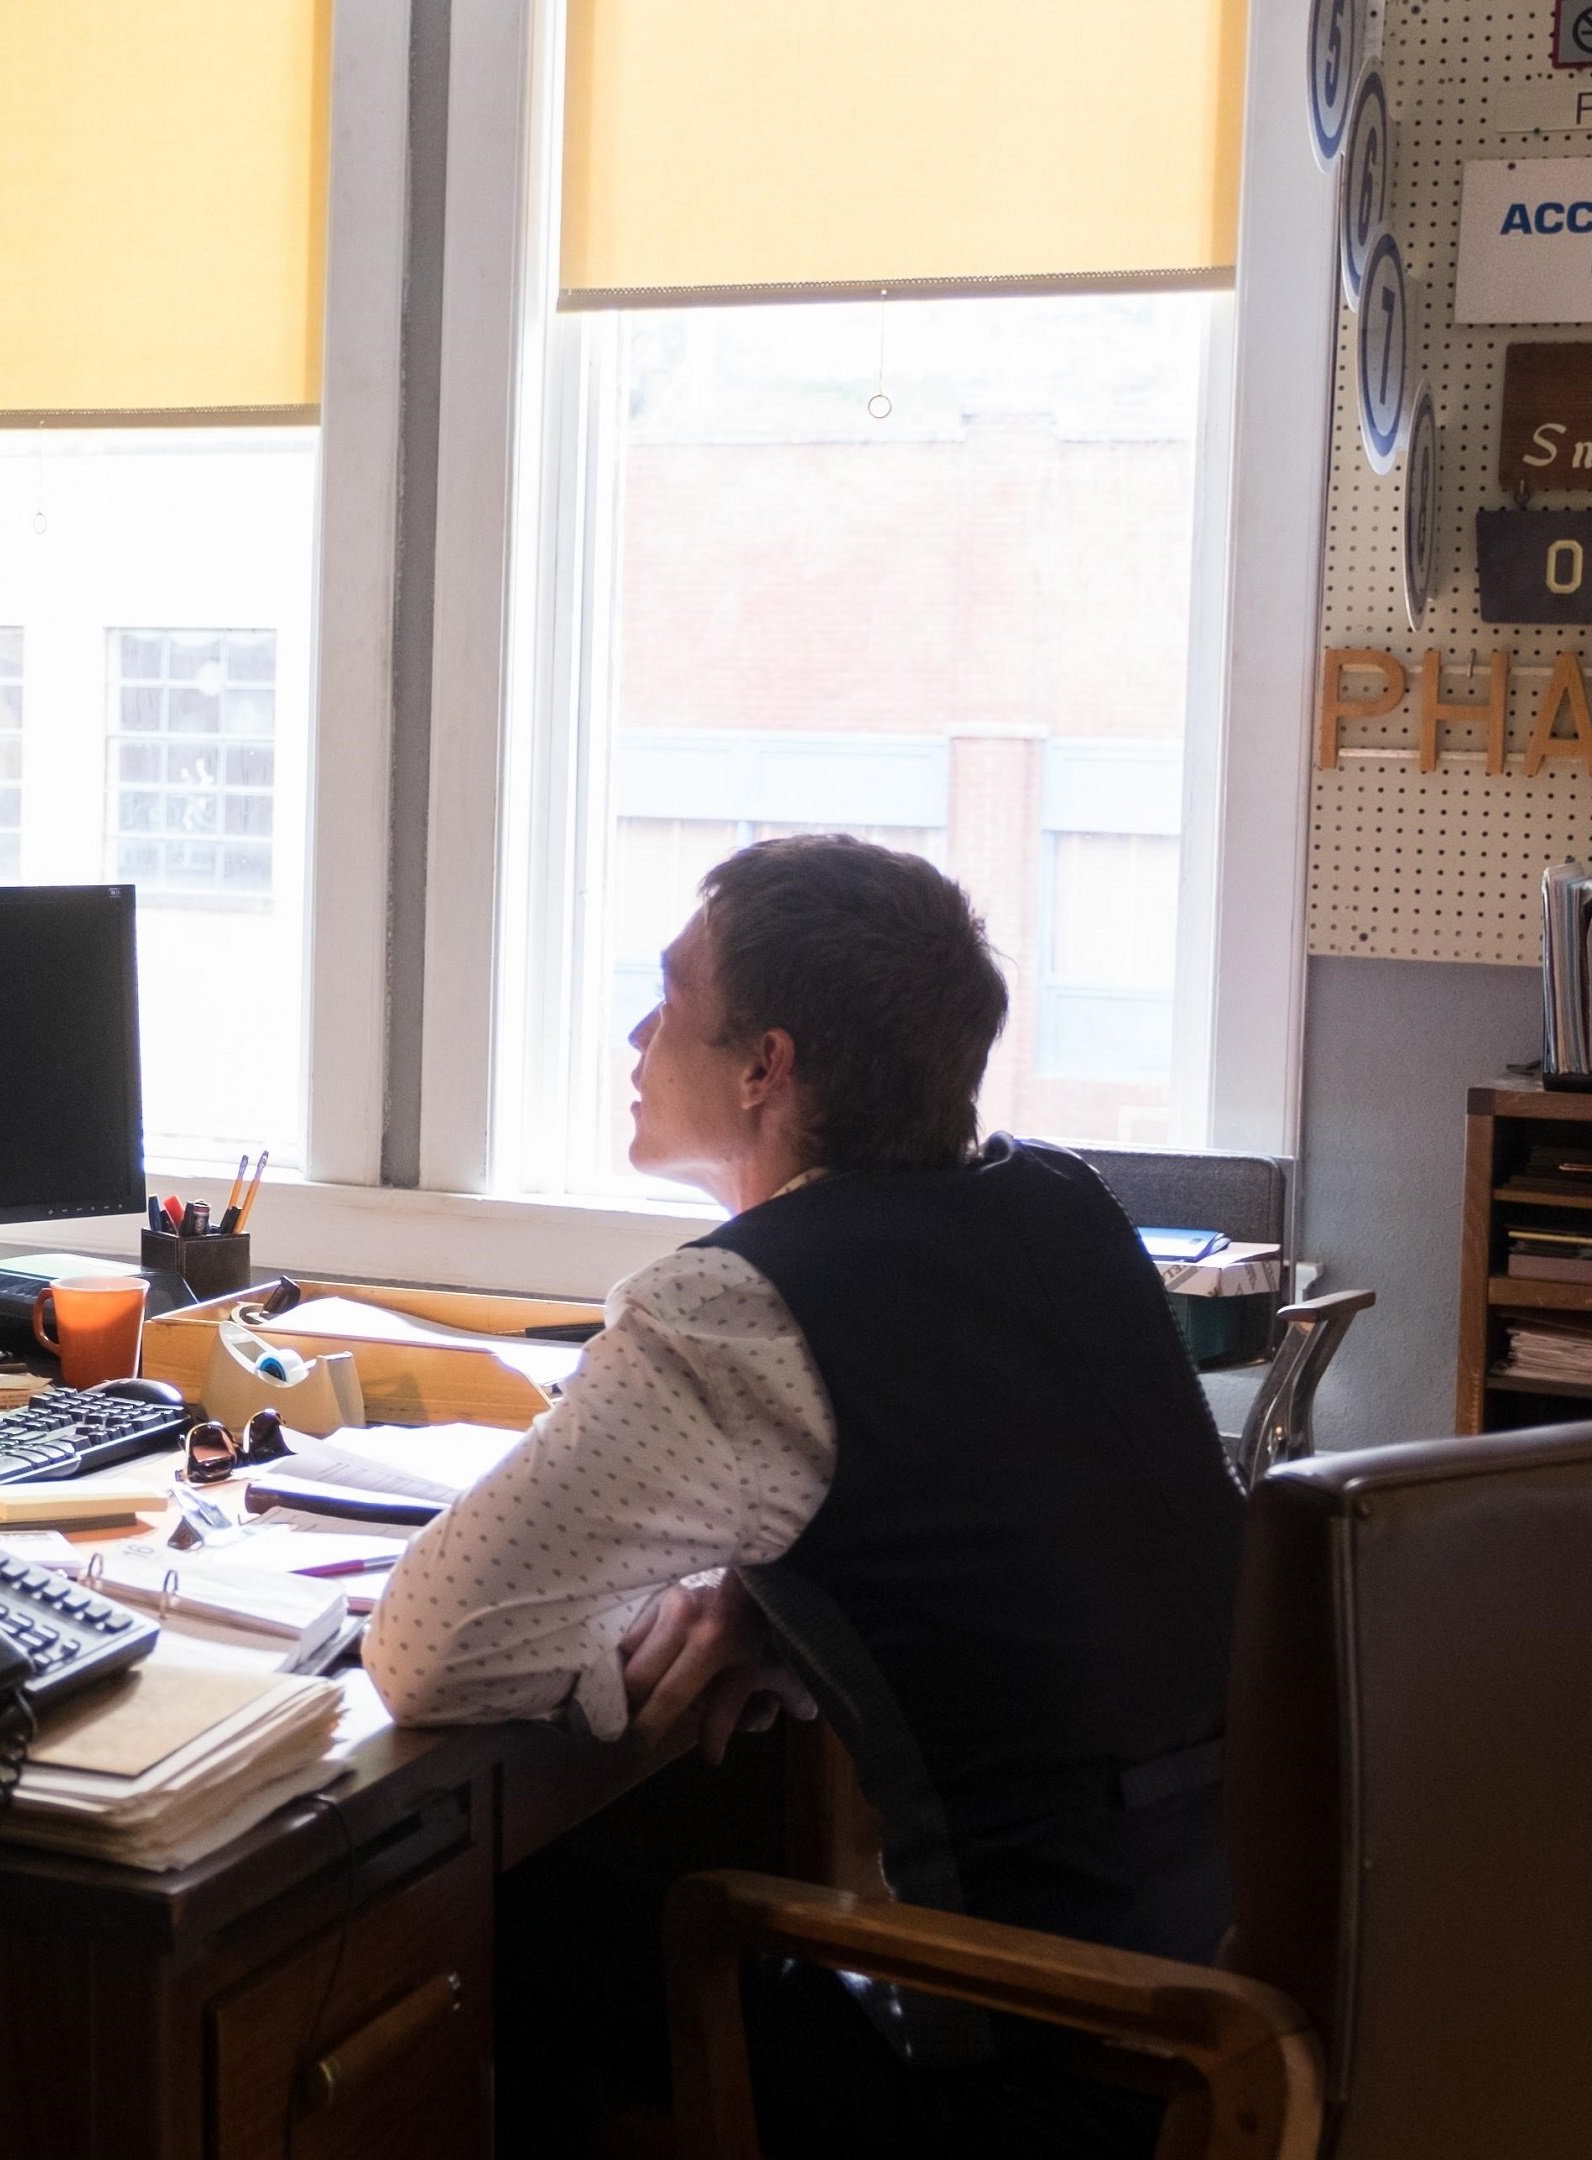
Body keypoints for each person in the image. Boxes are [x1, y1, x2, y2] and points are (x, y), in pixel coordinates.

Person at [365, 834, 1242, 2158]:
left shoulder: (743, 1308)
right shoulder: (1061, 1204)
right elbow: (1006, 1521)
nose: (638, 1033)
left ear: (765, 1067)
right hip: (1207, 2021)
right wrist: (770, 1598)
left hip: (1030, 2078)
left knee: (491, 1921)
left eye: (671, 997)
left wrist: (663, 1624)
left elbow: (431, 1650)